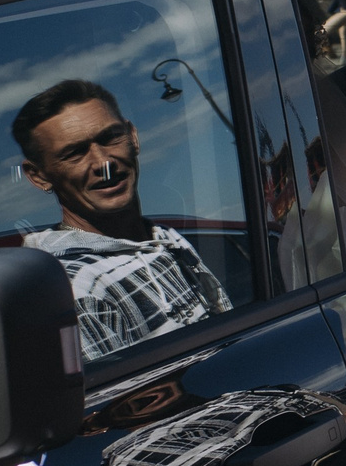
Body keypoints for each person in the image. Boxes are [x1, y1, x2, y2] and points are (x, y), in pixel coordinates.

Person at [13, 77, 230, 363]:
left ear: (133, 137)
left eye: (110, 138)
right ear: (39, 176)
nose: (103, 163)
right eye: (75, 154)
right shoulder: (76, 290)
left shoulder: (162, 238)